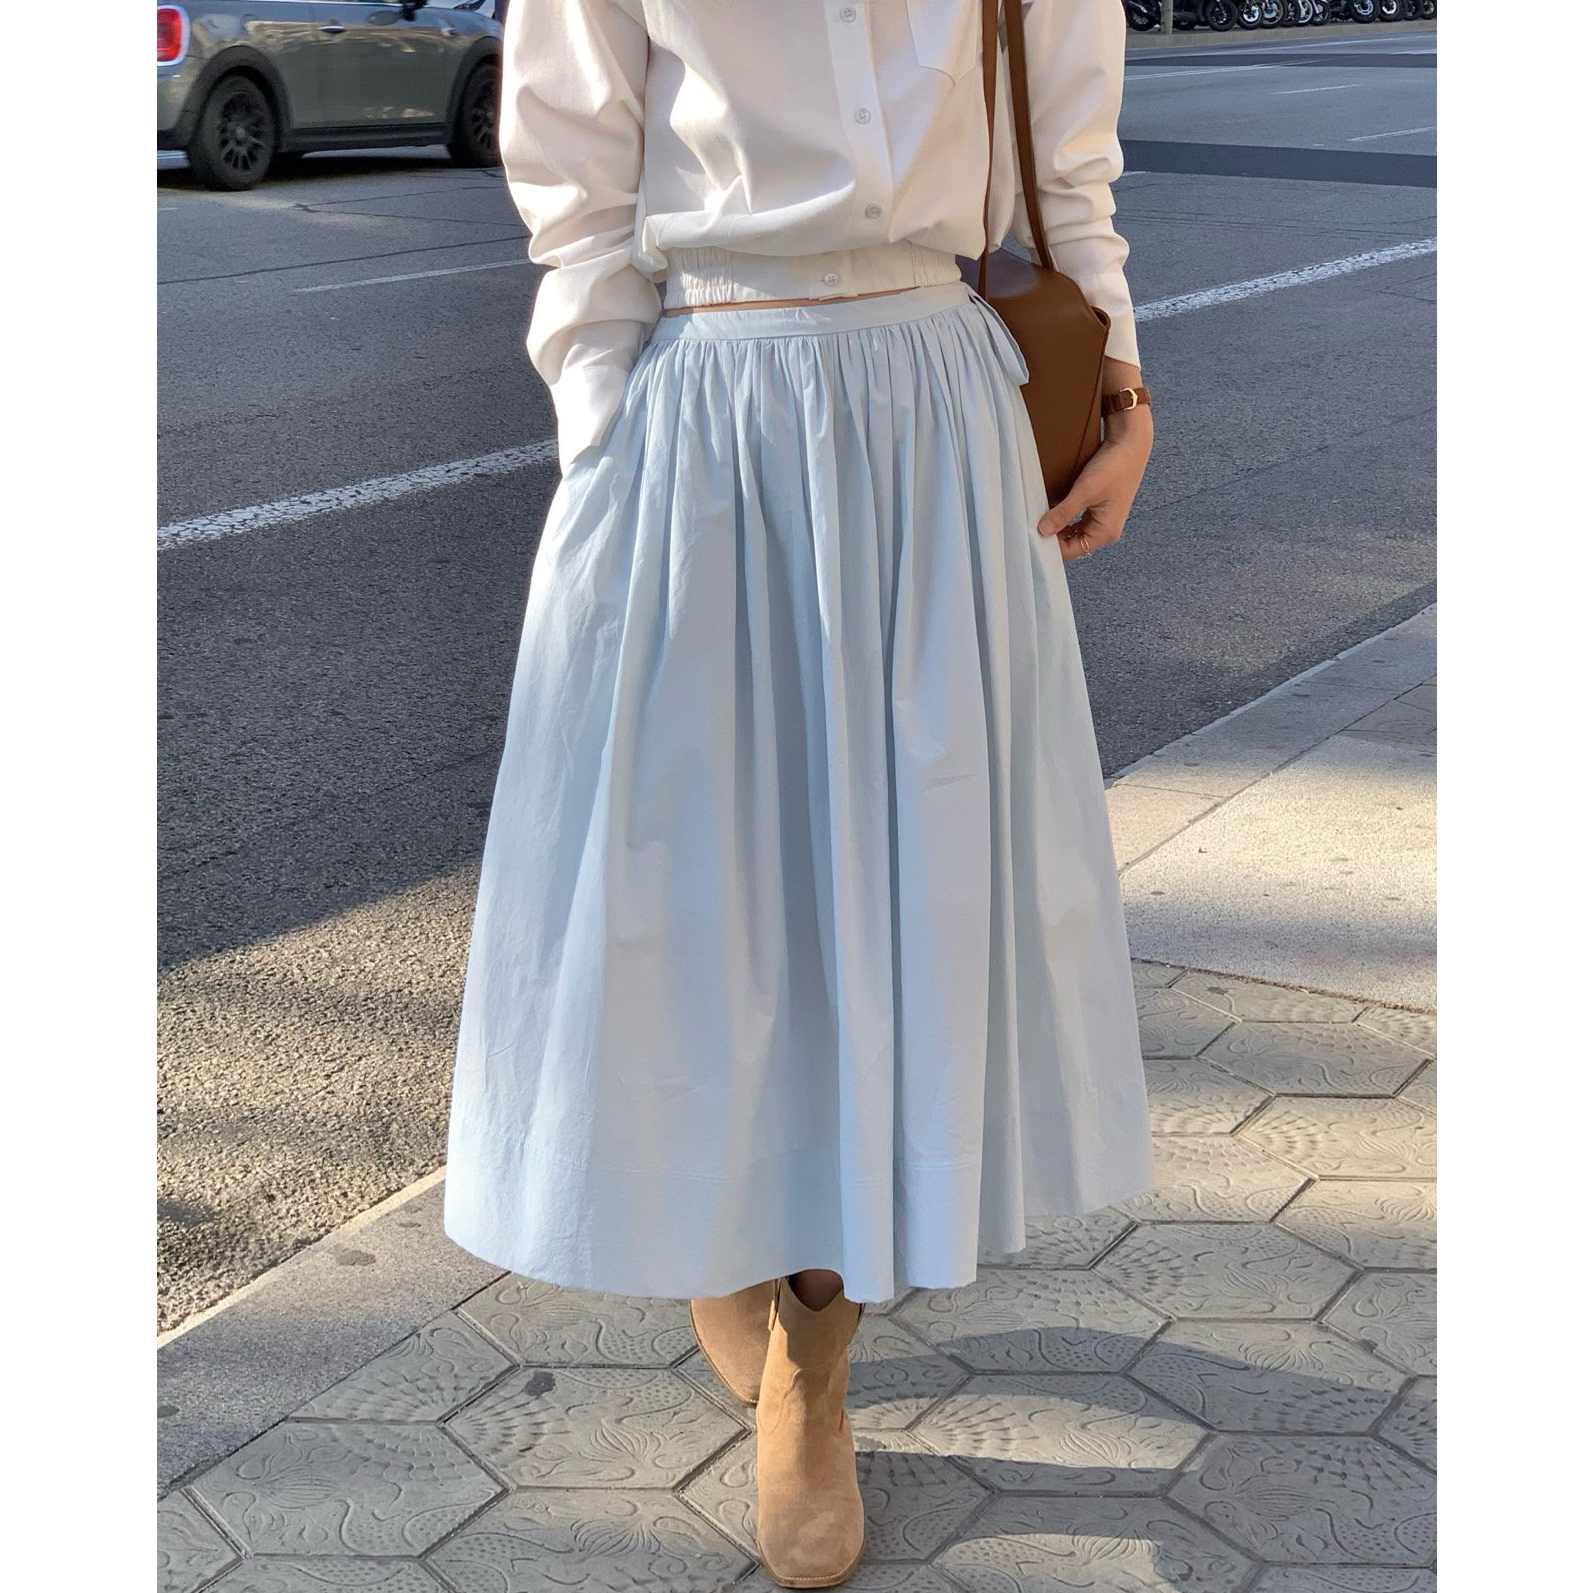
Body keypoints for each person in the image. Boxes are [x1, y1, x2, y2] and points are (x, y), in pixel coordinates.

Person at [444, 3, 1156, 1585]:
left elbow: (1067, 153)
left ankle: (813, 1360)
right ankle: (727, 1216)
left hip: (935, 409)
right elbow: (573, 160)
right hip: (705, 407)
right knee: (699, 891)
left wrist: (1120, 391)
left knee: (901, 901)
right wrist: (605, 430)